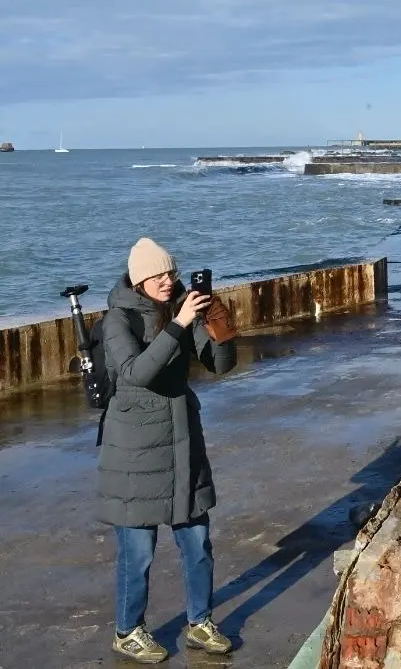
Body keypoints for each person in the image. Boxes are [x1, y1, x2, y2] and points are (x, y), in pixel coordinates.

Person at [97, 238, 236, 663]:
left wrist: (219, 325)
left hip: (182, 441)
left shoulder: (181, 306)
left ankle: (200, 622)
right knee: (137, 553)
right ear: (139, 280)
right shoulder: (117, 321)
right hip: (134, 451)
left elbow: (220, 364)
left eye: (171, 273)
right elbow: (138, 373)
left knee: (198, 544)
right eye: (158, 275)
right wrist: (178, 324)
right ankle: (128, 630)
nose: (167, 280)